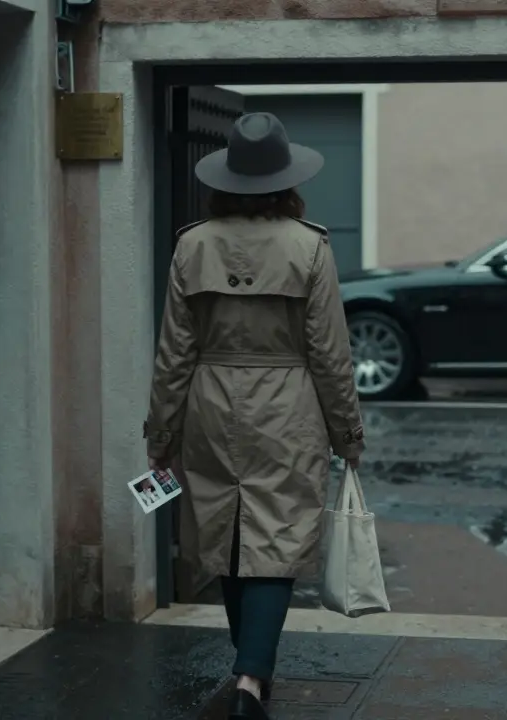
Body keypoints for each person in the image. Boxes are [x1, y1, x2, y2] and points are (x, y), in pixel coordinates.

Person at [144, 112, 365, 720]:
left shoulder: (193, 244)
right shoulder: (308, 246)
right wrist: (348, 433)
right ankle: (250, 679)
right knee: (279, 537)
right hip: (288, 404)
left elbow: (173, 352)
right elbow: (329, 352)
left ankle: (249, 668)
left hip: (209, 402)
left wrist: (160, 433)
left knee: (227, 533)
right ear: (286, 180)